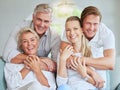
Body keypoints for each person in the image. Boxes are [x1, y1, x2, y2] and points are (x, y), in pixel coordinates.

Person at [2, 4, 61, 72]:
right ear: (33, 17)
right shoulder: (21, 27)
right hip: (19, 67)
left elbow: (56, 65)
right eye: (39, 19)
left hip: (41, 70)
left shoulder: (55, 36)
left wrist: (34, 62)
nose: (42, 25)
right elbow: (7, 53)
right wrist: (38, 60)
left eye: (46, 21)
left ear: (50, 22)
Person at [57, 16, 104, 90]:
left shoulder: (94, 52)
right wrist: (62, 59)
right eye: (68, 30)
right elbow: (61, 84)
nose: (72, 33)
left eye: (75, 29)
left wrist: (84, 75)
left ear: (82, 30)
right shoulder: (64, 53)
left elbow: (101, 85)